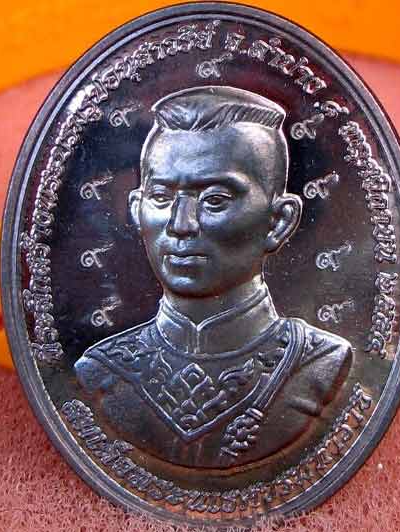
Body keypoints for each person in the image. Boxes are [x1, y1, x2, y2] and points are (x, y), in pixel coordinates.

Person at [75, 86, 352, 468]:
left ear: (279, 221)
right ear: (137, 209)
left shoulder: (320, 363)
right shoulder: (102, 371)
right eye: (161, 197)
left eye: (215, 200)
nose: (180, 224)